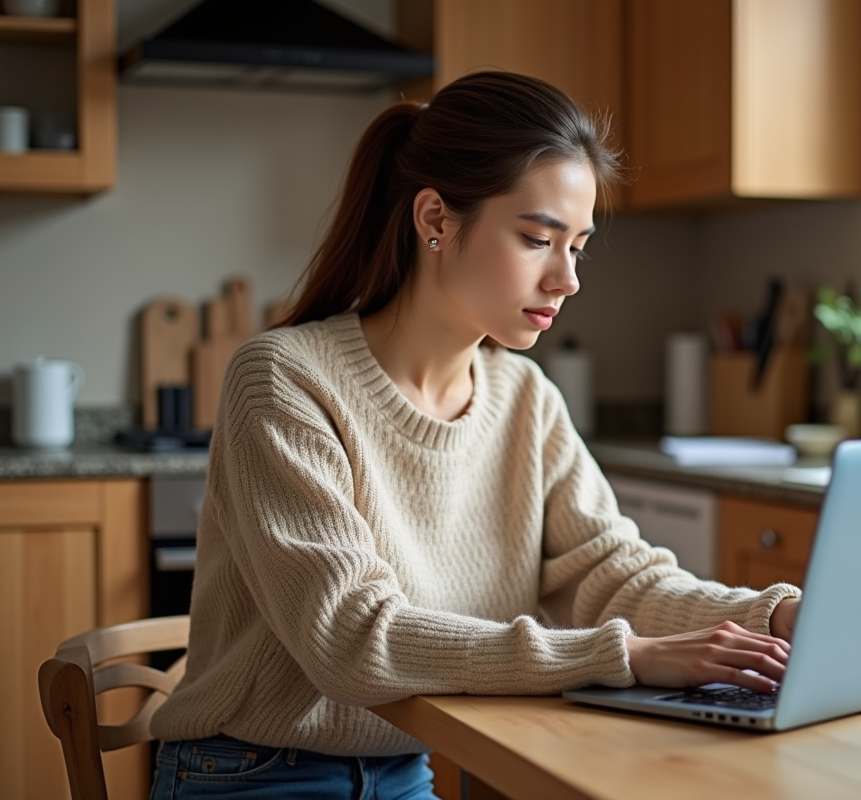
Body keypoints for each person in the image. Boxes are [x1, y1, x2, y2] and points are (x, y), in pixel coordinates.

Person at [149, 71, 801, 799]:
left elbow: (612, 575)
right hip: (253, 774)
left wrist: (775, 616)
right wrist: (626, 656)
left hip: (407, 770)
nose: (567, 279)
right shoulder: (283, 380)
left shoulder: (525, 397)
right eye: (537, 239)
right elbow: (351, 638)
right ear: (436, 218)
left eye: (578, 247)